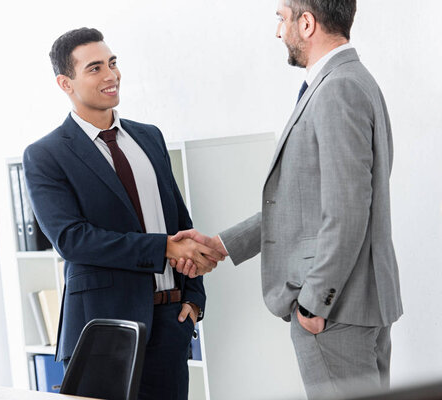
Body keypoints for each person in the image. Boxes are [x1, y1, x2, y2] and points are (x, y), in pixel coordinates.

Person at [171, 0, 402, 398]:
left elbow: (345, 211)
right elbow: (302, 200)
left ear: (307, 23)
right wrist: (223, 245)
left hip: (336, 312)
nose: (279, 31)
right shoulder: (351, 80)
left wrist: (314, 304)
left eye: (282, 19)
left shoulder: (338, 89)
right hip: (357, 306)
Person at [23, 27, 222, 399]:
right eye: (95, 68)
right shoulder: (46, 155)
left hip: (169, 322)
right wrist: (163, 248)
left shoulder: (149, 137)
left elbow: (181, 223)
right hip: (101, 332)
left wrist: (193, 299)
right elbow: (72, 240)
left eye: (113, 63)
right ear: (65, 83)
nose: (111, 76)